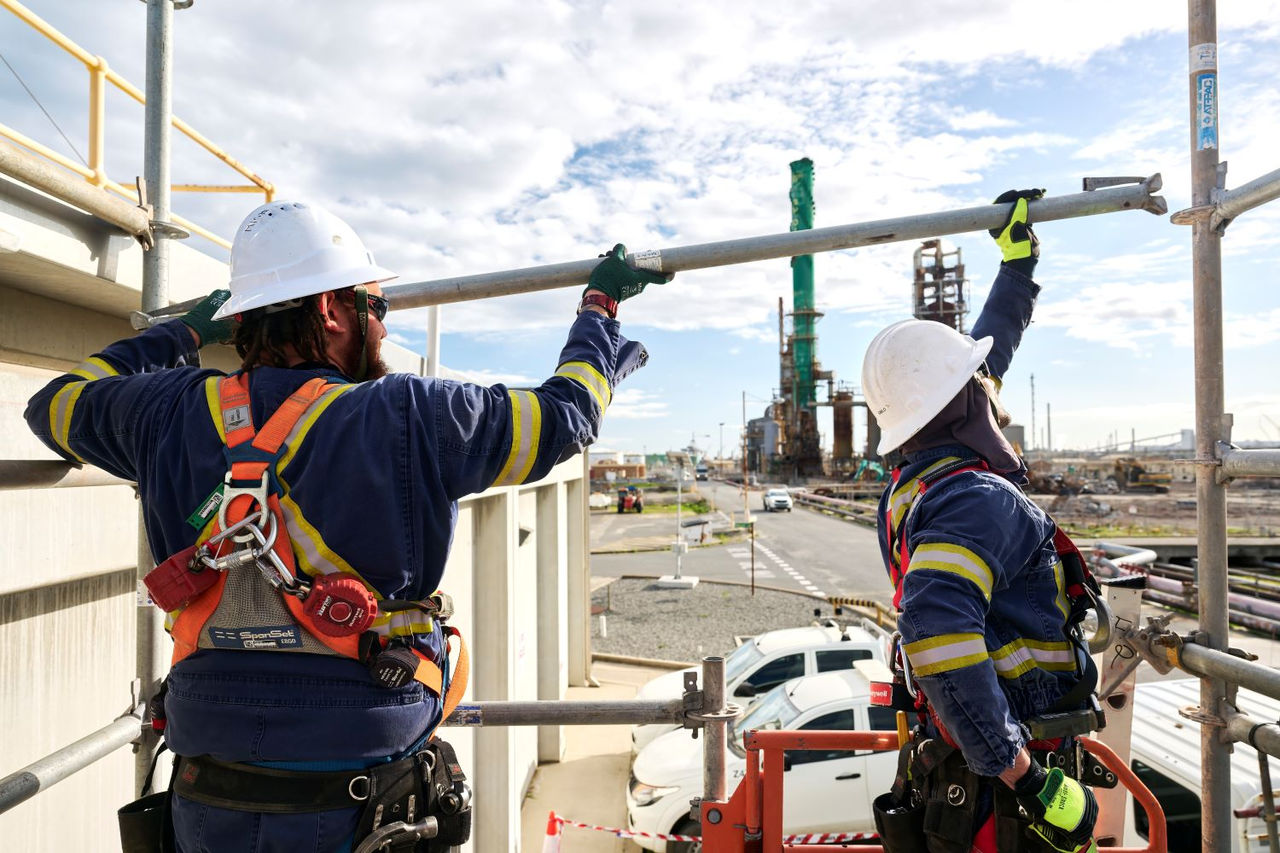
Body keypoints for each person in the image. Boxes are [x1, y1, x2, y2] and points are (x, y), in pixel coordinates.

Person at [25, 200, 667, 852]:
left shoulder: (163, 411)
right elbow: (564, 418)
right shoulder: (408, 413)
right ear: (332, 309)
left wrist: (180, 336)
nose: (382, 328)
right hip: (359, 794)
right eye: (377, 307)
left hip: (207, 788)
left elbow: (54, 405)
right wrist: (598, 310)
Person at [862, 190, 1101, 853]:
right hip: (1003, 789)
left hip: (963, 767)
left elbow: (979, 366)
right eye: (978, 383)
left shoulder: (915, 484)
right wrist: (1027, 779)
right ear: (965, 401)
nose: (989, 387)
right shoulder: (975, 501)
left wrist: (1018, 268)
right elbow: (937, 632)